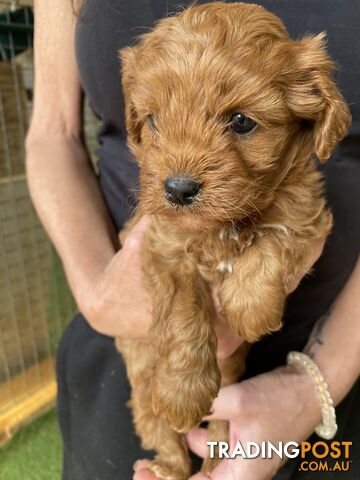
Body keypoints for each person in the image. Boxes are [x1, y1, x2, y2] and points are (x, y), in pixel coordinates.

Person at [26, 1, 360, 479]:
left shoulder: (300, 162)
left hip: (333, 346)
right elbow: (52, 134)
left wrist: (316, 385)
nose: (182, 174)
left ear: (316, 116)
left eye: (241, 123)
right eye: (156, 123)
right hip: (129, 341)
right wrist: (98, 297)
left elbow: (304, 221)